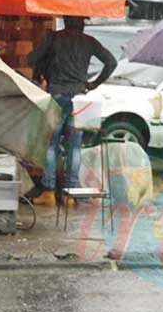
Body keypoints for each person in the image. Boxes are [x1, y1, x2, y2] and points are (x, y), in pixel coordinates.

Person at [26, 16, 117, 204]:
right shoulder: (89, 42)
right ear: (82, 24)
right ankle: (69, 193)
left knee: (51, 145)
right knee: (74, 147)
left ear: (65, 22)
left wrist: (46, 49)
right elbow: (111, 62)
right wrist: (93, 84)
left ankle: (49, 192)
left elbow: (30, 60)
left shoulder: (54, 39)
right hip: (79, 99)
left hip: (57, 96)